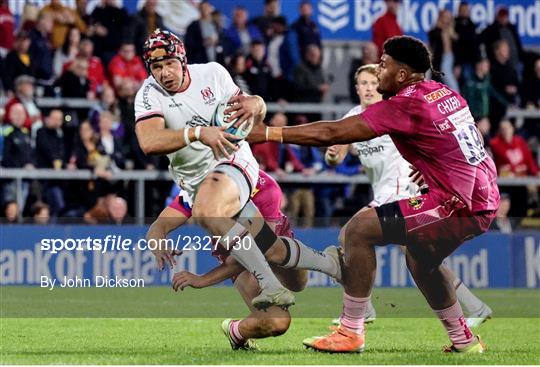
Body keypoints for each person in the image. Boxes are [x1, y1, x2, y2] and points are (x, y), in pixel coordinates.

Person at [248, 35, 500, 353]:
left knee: (358, 230)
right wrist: (439, 164)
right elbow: (466, 137)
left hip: (456, 203)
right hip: (480, 196)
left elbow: (332, 133)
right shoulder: (443, 93)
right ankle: (463, 340)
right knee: (421, 260)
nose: (378, 70)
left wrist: (267, 132)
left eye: (383, 64)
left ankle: (351, 331)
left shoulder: (406, 102)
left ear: (402, 75)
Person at [136, 29, 341, 311]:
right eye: (156, 67)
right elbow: (148, 141)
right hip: (200, 185)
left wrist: (258, 103)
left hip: (234, 162)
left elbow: (251, 113)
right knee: (272, 250)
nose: (164, 73)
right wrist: (198, 133)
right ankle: (331, 264)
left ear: (183, 59)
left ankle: (269, 285)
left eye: (169, 63)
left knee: (207, 211)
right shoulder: (148, 93)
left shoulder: (213, 74)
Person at [326, 64, 492, 328]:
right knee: (422, 256)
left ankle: (361, 310)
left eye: (372, 82)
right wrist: (333, 155)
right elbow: (337, 153)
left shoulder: (394, 111)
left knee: (350, 233)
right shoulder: (354, 115)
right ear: (356, 88)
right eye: (363, 84)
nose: (369, 88)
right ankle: (475, 307)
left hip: (403, 189)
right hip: (384, 190)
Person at [160, 170, 308, 350]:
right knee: (277, 322)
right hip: (239, 261)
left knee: (299, 283)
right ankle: (235, 331)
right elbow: (160, 225)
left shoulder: (265, 186)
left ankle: (348, 322)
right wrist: (157, 240)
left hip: (274, 246)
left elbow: (265, 249)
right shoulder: (202, 188)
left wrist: (202, 279)